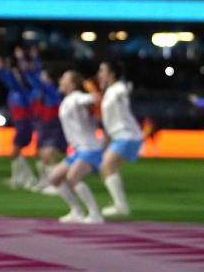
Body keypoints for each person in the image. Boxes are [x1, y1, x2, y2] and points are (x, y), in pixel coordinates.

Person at [49, 70, 105, 224]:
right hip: (79, 150)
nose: (60, 80)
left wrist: (92, 92)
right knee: (55, 178)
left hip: (91, 148)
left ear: (72, 85)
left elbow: (91, 98)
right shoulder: (68, 100)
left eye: (64, 79)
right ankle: (77, 211)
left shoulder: (76, 98)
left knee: (73, 177)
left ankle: (95, 214)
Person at [96, 61, 145, 217]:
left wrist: (125, 88)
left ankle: (121, 205)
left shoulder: (118, 89)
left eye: (102, 70)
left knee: (107, 166)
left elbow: (124, 90)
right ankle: (119, 203)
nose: (99, 73)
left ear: (112, 74)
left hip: (127, 135)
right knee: (107, 169)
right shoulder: (109, 91)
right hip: (119, 136)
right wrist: (106, 140)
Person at [19, 50, 66, 193]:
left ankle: (57, 185)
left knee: (49, 155)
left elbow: (37, 82)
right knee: (39, 156)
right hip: (41, 127)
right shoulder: (39, 92)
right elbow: (36, 83)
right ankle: (45, 181)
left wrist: (29, 64)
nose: (41, 76)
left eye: (43, 75)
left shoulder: (53, 91)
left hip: (54, 128)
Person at [0, 53, 37, 189]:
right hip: (20, 124)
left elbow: (10, 79)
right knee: (15, 153)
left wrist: (2, 68)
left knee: (15, 152)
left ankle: (26, 178)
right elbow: (6, 80)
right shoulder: (14, 91)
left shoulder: (22, 91)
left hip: (24, 124)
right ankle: (20, 178)